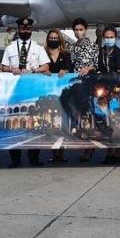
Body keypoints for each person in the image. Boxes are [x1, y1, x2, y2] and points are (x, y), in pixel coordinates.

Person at [1, 18, 49, 167]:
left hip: (33, 90)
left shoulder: (38, 48)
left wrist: (33, 70)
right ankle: (15, 160)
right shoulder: (10, 48)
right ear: (18, 29)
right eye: (22, 28)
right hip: (15, 91)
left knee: (34, 125)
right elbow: (3, 67)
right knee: (13, 128)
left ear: (31, 30)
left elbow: (46, 66)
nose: (25, 31)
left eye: (28, 29)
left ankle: (34, 158)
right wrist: (11, 69)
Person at [81, 26, 120, 164]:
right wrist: (90, 69)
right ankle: (109, 152)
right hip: (103, 92)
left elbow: (119, 71)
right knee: (107, 123)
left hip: (115, 92)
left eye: (112, 37)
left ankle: (118, 153)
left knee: (116, 121)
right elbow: (97, 66)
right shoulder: (100, 52)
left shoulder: (118, 52)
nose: (109, 39)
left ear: (115, 38)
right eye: (107, 37)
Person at [70, 18, 100, 162]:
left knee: (88, 116)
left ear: (86, 30)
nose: (78, 32)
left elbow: (97, 64)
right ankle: (85, 145)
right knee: (79, 116)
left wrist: (89, 68)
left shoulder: (93, 46)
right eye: (76, 30)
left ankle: (88, 149)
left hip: (89, 86)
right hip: (76, 86)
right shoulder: (73, 47)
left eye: (81, 29)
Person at [44, 30, 73, 163]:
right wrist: (44, 70)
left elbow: (70, 69)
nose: (53, 40)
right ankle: (53, 153)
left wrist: (65, 71)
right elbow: (39, 67)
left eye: (56, 38)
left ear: (60, 40)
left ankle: (61, 153)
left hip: (62, 92)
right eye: (51, 38)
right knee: (51, 124)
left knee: (61, 124)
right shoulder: (43, 53)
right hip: (48, 91)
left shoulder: (65, 54)